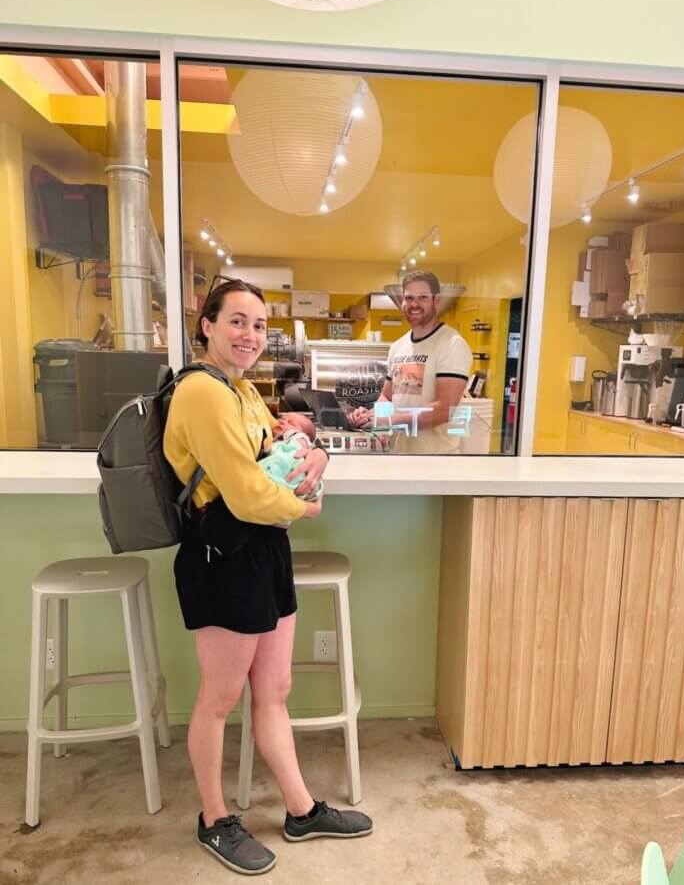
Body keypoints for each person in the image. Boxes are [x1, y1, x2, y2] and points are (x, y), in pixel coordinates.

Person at [163, 279, 372, 876]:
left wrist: (318, 454)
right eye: (236, 321)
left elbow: (288, 439)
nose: (250, 335)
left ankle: (301, 810)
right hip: (223, 554)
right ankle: (212, 819)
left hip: (264, 551)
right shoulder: (203, 392)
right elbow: (251, 492)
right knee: (219, 698)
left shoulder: (243, 391)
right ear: (207, 325)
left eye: (258, 325)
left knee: (273, 690)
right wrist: (307, 507)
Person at [348, 270, 472, 453]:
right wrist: (372, 418)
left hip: (438, 461)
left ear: (436, 301)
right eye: (409, 298)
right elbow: (387, 397)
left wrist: (391, 419)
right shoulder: (398, 346)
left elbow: (445, 409)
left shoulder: (451, 344)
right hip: (400, 455)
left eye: (422, 297)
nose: (414, 304)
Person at [262, 413, 324, 505]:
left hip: (284, 478)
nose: (282, 421)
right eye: (281, 418)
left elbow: (296, 448)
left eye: (291, 423)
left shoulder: (299, 438)